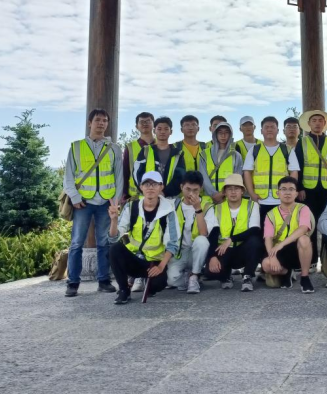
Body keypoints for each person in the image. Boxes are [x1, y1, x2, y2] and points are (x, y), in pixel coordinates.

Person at [63, 109, 124, 298]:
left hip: (106, 201)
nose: (101, 123)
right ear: (89, 123)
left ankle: (104, 280)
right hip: (83, 202)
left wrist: (116, 201)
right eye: (98, 120)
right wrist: (75, 197)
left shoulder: (114, 148)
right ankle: (73, 283)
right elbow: (68, 176)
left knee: (104, 242)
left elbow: (119, 176)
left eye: (105, 120)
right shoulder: (76, 147)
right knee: (76, 243)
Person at [108, 171, 181, 305]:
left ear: (161, 187)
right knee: (114, 249)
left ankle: (147, 282)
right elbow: (114, 237)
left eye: (154, 184)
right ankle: (124, 290)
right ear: (141, 187)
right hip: (134, 258)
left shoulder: (169, 211)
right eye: (146, 184)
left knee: (158, 284)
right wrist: (114, 220)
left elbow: (172, 244)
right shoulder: (131, 207)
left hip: (154, 262)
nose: (150, 187)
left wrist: (161, 267)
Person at [289, 110, 327, 269]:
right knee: (309, 225)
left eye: (320, 120)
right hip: (308, 190)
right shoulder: (302, 142)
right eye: (314, 120)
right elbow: (298, 166)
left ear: (324, 124)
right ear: (308, 124)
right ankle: (311, 260)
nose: (317, 123)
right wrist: (299, 188)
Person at [205, 174, 263, 292]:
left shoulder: (252, 205)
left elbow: (255, 229)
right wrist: (212, 257)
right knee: (210, 272)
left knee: (255, 241)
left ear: (242, 191)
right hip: (224, 250)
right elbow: (213, 234)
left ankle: (247, 276)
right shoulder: (217, 208)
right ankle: (226, 276)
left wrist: (231, 239)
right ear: (224, 192)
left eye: (236, 188)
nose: (233, 192)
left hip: (243, 249)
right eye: (229, 189)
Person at [261, 177, 316, 294]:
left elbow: (303, 228)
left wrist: (281, 244)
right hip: (280, 251)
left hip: (298, 249)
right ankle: (287, 272)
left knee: (304, 239)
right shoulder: (271, 214)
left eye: (291, 189)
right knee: (266, 265)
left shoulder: (303, 208)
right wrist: (272, 256)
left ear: (296, 193)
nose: (287, 192)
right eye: (283, 189)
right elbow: (268, 238)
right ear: (278, 193)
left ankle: (305, 277)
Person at [167, 171, 216, 295]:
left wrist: (198, 209)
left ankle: (194, 275)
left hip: (197, 251)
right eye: (188, 189)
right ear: (181, 187)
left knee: (202, 240)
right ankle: (187, 277)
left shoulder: (207, 206)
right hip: (179, 251)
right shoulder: (172, 206)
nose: (191, 194)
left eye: (195, 190)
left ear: (201, 189)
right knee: (171, 280)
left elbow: (204, 233)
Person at [243, 116, 297, 222]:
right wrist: (252, 194)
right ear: (261, 131)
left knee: (281, 229)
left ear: (278, 130)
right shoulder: (254, 150)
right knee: (261, 229)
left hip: (281, 200)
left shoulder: (287, 150)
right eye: (266, 127)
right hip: (260, 200)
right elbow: (247, 173)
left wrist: (290, 193)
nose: (269, 129)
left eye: (272, 127)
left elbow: (294, 172)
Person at [134, 116, 185, 198]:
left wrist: (164, 192)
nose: (162, 132)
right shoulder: (146, 151)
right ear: (154, 131)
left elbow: (180, 176)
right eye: (159, 129)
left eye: (166, 129)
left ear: (171, 132)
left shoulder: (178, 153)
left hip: (170, 198)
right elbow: (137, 173)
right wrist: (147, 190)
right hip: (148, 197)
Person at [201, 122, 243, 203]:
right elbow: (203, 177)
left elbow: (237, 178)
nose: (223, 135)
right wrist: (213, 194)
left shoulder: (236, 155)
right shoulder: (204, 154)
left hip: (228, 198)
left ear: (230, 134)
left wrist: (222, 194)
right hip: (209, 198)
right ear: (215, 134)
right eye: (220, 132)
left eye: (226, 132)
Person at [122, 112, 155, 201]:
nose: (145, 124)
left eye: (148, 121)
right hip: (134, 197)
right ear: (137, 126)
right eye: (142, 122)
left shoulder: (161, 145)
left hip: (157, 196)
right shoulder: (130, 147)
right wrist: (124, 195)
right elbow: (125, 173)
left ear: (153, 124)